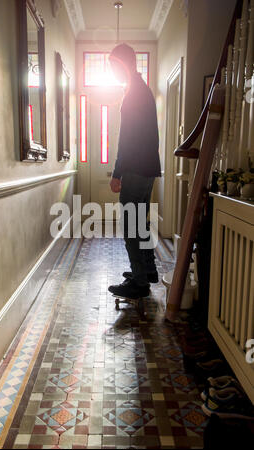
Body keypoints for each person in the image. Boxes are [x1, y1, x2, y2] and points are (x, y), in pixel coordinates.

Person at [108, 43, 161, 300]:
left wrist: (117, 173)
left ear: (123, 63)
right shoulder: (143, 90)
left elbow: (126, 138)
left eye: (113, 65)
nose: (112, 70)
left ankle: (139, 281)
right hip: (148, 168)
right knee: (141, 221)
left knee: (131, 225)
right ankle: (148, 271)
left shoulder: (134, 94)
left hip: (135, 169)